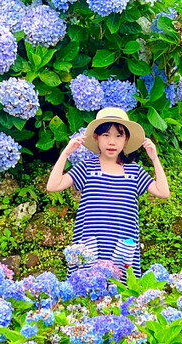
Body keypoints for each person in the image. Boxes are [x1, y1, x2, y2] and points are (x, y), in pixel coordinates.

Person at [45, 107, 170, 281]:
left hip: (122, 247)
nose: (112, 142)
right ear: (96, 138)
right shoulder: (87, 168)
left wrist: (155, 159)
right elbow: (53, 186)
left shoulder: (134, 171)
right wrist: (66, 153)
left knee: (119, 294)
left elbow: (163, 192)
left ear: (126, 140)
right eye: (106, 135)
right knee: (86, 291)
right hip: (90, 245)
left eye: (118, 136)